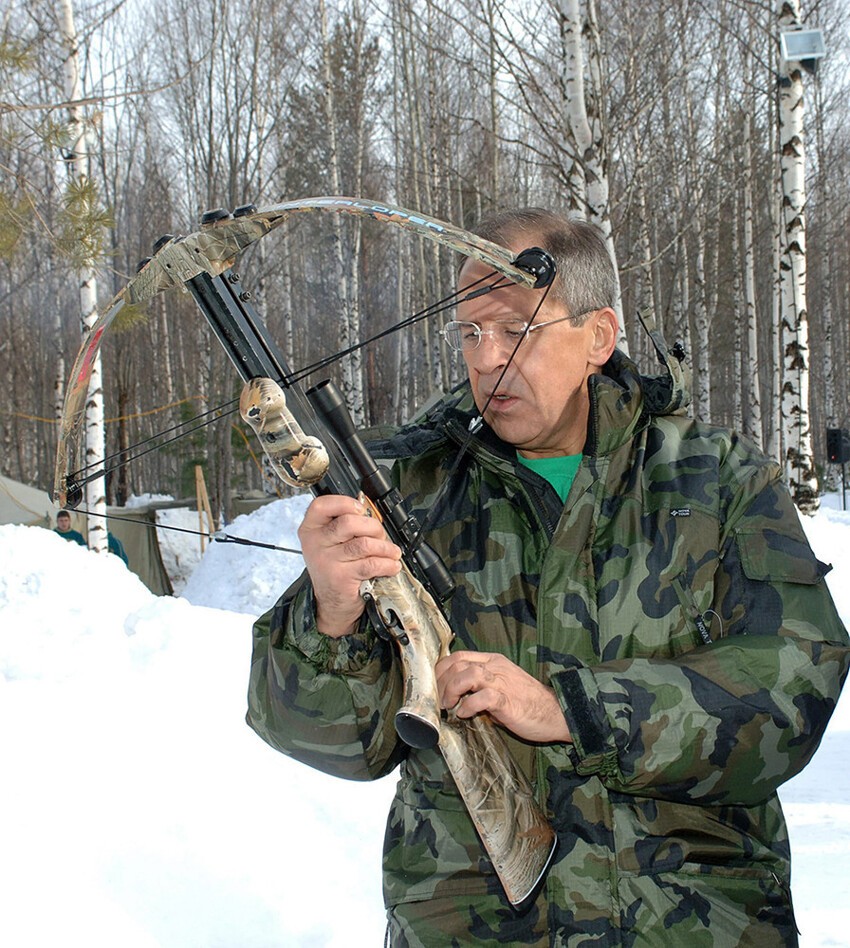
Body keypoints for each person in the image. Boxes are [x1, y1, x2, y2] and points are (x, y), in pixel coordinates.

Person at [245, 208, 849, 946]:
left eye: (516, 330)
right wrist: (331, 611)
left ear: (598, 337)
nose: (487, 358)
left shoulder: (718, 480)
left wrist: (575, 710)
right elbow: (333, 742)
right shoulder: (410, 492)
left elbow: (793, 688)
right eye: (469, 332)